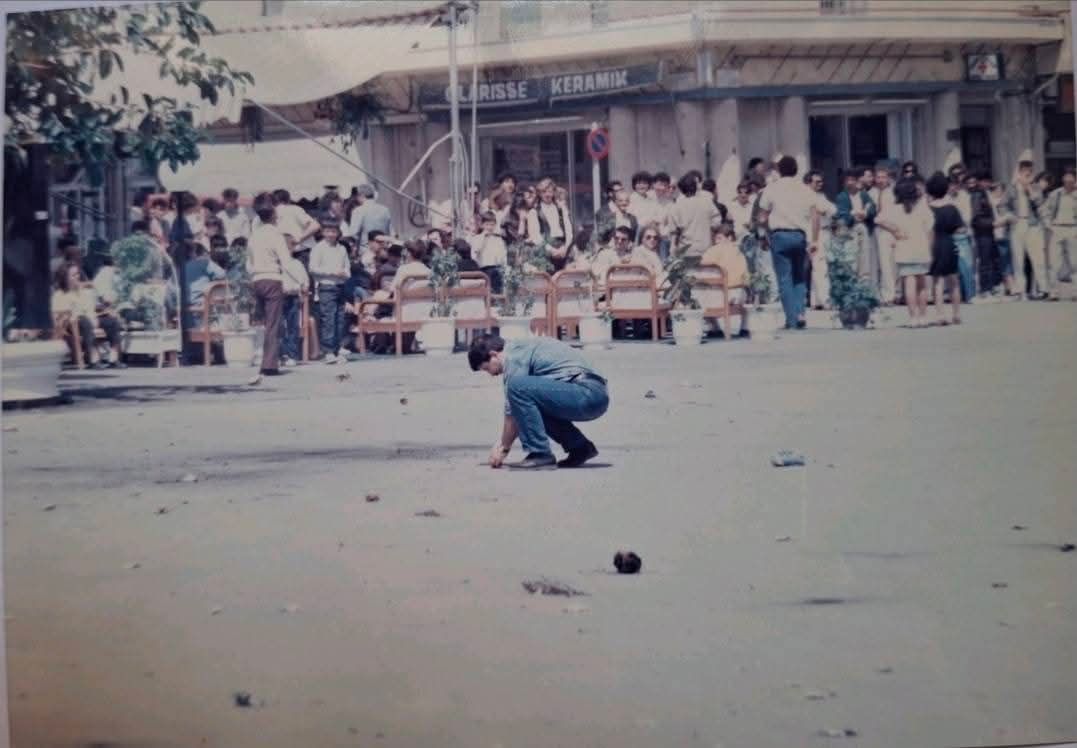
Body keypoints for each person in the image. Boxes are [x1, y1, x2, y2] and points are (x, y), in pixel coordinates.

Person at [469, 333, 609, 470]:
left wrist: (503, 448)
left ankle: (539, 453)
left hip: (588, 393)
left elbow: (511, 414)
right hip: (593, 395)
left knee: (516, 387)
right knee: (531, 401)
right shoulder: (521, 348)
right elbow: (522, 410)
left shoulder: (513, 356)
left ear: (494, 354)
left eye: (487, 368)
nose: (491, 374)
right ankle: (580, 448)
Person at [756, 156, 817, 329]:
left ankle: (791, 319)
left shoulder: (772, 188)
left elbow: (762, 216)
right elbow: (815, 215)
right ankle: (800, 313)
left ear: (779, 170)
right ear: (797, 170)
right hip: (799, 236)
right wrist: (815, 240)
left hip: (780, 236)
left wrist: (762, 234)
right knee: (800, 278)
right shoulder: (805, 189)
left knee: (784, 279)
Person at [246, 194, 292, 383]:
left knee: (262, 322)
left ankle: (261, 358)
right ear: (272, 213)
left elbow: (248, 264)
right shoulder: (276, 235)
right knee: (273, 324)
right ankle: (269, 365)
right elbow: (286, 262)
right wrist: (300, 282)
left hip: (257, 280)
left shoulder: (253, 236)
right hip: (273, 279)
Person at [53, 262, 124, 369]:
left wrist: (94, 317)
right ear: (65, 277)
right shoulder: (59, 294)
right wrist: (84, 317)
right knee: (84, 321)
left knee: (112, 322)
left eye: (77, 274)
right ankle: (93, 359)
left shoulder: (84, 292)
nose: (77, 277)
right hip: (71, 323)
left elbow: (89, 308)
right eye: (73, 275)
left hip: (88, 319)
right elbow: (59, 313)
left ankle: (113, 359)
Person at [1002, 160, 1051, 300]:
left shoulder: (1035, 188)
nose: (1027, 174)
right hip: (1017, 224)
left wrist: (1029, 189)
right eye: (1024, 171)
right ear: (1019, 171)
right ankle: (1020, 291)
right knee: (1018, 259)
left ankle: (1044, 289)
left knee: (1038, 258)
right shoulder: (1011, 189)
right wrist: (1009, 215)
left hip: (1032, 225)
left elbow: (1039, 203)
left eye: (1029, 171)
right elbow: (1003, 205)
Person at [888, 177, 933, 327]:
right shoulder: (922, 208)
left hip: (904, 251)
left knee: (909, 285)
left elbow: (878, 219)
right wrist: (930, 249)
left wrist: (895, 231)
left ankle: (913, 317)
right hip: (921, 249)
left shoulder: (895, 209)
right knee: (922, 285)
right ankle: (923, 316)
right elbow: (929, 230)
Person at [309, 216, 350, 364]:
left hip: (340, 286)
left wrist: (345, 274)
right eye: (328, 231)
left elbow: (347, 268)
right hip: (326, 287)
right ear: (323, 232)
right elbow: (313, 268)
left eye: (334, 231)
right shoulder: (318, 248)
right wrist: (333, 272)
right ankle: (328, 351)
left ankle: (338, 349)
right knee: (328, 320)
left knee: (340, 319)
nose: (331, 234)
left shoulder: (342, 249)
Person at [701, 222, 751, 338]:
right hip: (736, 293)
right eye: (716, 238)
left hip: (716, 295)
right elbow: (746, 278)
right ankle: (744, 328)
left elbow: (701, 267)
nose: (717, 241)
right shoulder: (739, 253)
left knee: (703, 290)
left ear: (729, 237)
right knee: (745, 292)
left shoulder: (712, 251)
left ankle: (713, 327)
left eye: (719, 238)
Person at [926, 172, 963, 326]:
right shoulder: (952, 208)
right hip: (949, 242)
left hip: (935, 243)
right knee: (953, 280)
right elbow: (959, 228)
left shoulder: (928, 209)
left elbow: (926, 229)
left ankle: (940, 314)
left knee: (937, 281)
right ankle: (956, 314)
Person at [835, 169, 877, 288]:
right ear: (844, 183)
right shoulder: (841, 197)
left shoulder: (863, 194)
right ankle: (852, 289)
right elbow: (842, 215)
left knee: (865, 260)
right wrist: (854, 217)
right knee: (851, 260)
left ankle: (865, 288)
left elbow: (872, 208)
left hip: (863, 228)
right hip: (850, 229)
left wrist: (866, 214)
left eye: (852, 180)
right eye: (848, 181)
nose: (850, 183)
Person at [669, 172, 721, 258]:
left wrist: (673, 248)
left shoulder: (676, 207)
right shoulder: (707, 202)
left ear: (681, 189)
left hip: (686, 250)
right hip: (705, 248)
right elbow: (716, 223)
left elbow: (674, 232)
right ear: (695, 187)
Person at [527, 177, 573, 270]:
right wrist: (551, 250)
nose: (547, 194)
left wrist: (565, 247)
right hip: (545, 253)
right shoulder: (534, 212)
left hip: (563, 251)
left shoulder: (561, 209)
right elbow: (535, 236)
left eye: (550, 191)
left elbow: (569, 231)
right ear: (539, 194)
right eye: (544, 192)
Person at [805, 170, 835, 310]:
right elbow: (823, 210)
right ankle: (825, 300)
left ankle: (816, 300)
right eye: (816, 182)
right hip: (815, 233)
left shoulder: (821, 196)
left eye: (821, 181)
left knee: (819, 267)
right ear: (808, 183)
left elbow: (833, 209)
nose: (820, 184)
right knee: (820, 266)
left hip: (825, 231)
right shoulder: (807, 197)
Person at [1044, 166, 1077, 292]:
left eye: (1071, 177)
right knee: (1054, 261)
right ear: (1063, 178)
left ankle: (1075, 291)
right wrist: (1048, 224)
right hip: (1057, 229)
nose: (1068, 179)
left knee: (1075, 262)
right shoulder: (1055, 194)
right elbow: (1045, 210)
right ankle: (1054, 291)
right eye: (1066, 176)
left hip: (1073, 229)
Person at [968, 171, 999, 300]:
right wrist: (991, 223)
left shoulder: (986, 193)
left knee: (991, 259)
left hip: (989, 231)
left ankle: (991, 286)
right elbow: (976, 216)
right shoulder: (977, 194)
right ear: (981, 181)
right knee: (984, 260)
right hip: (982, 232)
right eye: (986, 181)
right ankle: (985, 288)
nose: (988, 184)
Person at [869, 165, 898, 304]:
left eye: (883, 177)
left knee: (892, 263)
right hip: (877, 229)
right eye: (878, 177)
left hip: (891, 229)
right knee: (881, 263)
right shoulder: (871, 193)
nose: (881, 180)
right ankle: (884, 294)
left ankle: (893, 293)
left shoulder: (894, 193)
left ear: (888, 178)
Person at [183, 242, 226, 315]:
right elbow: (222, 274)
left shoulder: (181, 268)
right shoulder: (204, 262)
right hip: (202, 306)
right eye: (207, 254)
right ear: (203, 254)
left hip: (184, 308)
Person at [988, 181, 1015, 296]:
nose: (997, 192)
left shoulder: (1005, 203)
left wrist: (1002, 221)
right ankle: (1001, 286)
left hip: (1003, 236)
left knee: (1005, 262)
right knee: (995, 263)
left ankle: (1010, 287)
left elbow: (1011, 218)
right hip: (991, 236)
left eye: (999, 189)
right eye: (994, 189)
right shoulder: (989, 203)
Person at [470, 211, 507, 294]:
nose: (490, 227)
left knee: (498, 292)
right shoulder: (477, 238)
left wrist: (504, 268)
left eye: (492, 224)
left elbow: (503, 255)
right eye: (487, 224)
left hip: (497, 269)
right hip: (484, 269)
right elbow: (476, 250)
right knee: (486, 293)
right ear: (482, 225)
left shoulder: (498, 239)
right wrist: (484, 236)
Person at [346, 184, 392, 250]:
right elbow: (390, 231)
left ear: (361, 195)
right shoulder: (385, 209)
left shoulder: (358, 210)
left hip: (366, 249)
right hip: (383, 249)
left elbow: (353, 233)